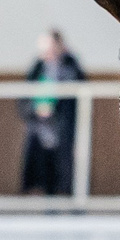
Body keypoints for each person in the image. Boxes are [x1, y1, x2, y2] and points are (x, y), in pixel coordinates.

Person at [21, 30, 84, 198]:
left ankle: (71, 205)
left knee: (66, 171)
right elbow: (24, 98)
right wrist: (36, 110)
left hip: (62, 129)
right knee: (43, 171)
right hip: (40, 130)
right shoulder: (37, 68)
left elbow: (78, 93)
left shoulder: (70, 66)